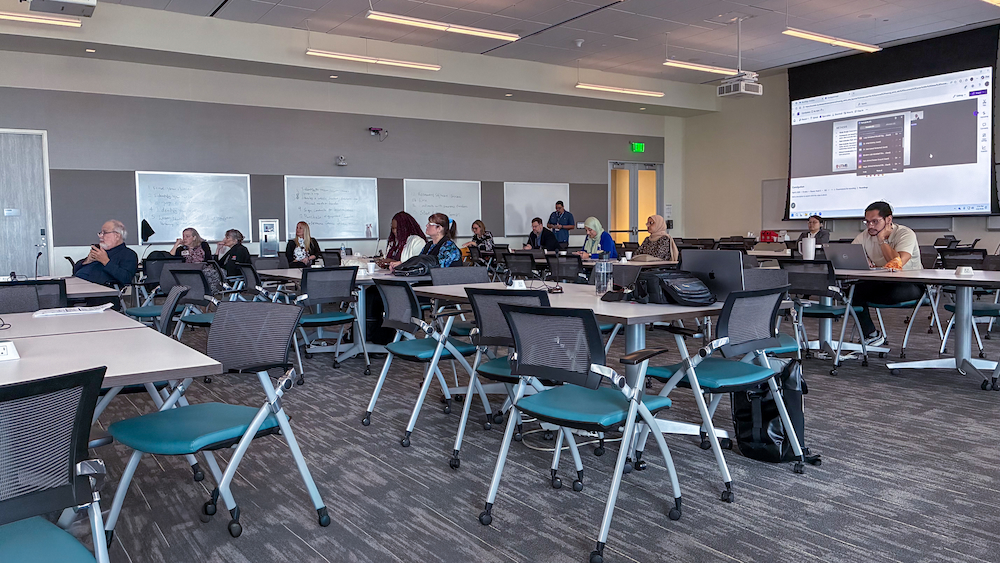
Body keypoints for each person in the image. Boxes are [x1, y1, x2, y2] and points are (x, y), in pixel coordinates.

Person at [850, 201, 923, 347]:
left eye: (875, 222)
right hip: (881, 282)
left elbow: (897, 263)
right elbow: (850, 255)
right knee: (851, 291)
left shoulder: (905, 233)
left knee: (862, 293)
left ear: (888, 220)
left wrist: (882, 240)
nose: (870, 226)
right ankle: (871, 334)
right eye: (867, 222)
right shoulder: (864, 236)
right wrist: (864, 261)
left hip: (909, 284)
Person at [73, 219, 138, 287]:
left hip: (97, 292)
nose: (100, 236)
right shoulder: (101, 251)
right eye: (100, 233)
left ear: (117, 236)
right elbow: (75, 271)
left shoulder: (128, 254)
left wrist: (106, 262)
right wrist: (87, 261)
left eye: (104, 233)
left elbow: (126, 279)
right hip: (76, 285)